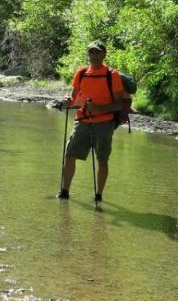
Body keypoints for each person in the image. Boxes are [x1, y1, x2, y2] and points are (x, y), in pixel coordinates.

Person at [55, 42, 131, 201]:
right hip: (82, 121)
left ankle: (98, 195)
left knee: (102, 159)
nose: (94, 56)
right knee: (70, 155)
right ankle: (64, 192)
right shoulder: (81, 73)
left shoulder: (112, 75)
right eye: (91, 52)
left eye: (98, 53)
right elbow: (74, 98)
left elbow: (119, 104)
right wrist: (68, 102)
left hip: (104, 124)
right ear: (88, 54)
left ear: (104, 55)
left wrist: (98, 109)